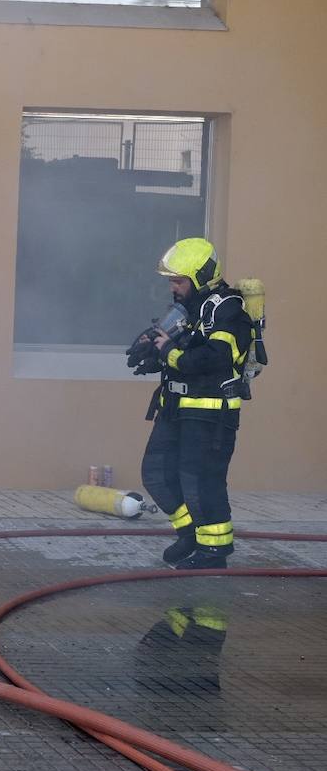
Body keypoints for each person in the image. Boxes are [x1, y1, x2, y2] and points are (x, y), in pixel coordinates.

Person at [135, 238, 252, 570]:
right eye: (171, 281)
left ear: (200, 277)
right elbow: (180, 350)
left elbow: (216, 357)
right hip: (175, 409)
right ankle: (190, 535)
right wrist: (152, 351)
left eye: (178, 281)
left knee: (202, 481)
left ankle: (214, 552)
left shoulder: (228, 309)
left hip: (210, 415)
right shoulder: (190, 311)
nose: (173, 287)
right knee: (156, 473)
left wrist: (169, 352)